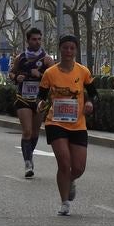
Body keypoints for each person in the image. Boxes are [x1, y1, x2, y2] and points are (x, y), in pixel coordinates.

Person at [36, 35, 97, 216]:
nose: (68, 52)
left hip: (78, 124)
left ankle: (69, 180)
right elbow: (41, 96)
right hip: (55, 122)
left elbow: (94, 94)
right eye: (65, 48)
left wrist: (90, 103)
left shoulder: (83, 72)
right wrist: (40, 104)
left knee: (78, 168)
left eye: (72, 48)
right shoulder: (50, 73)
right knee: (64, 162)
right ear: (60, 49)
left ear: (76, 51)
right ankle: (64, 203)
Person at [9, 28, 52, 178]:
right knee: (27, 131)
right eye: (34, 39)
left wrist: (39, 75)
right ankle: (27, 162)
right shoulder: (20, 58)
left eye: (39, 39)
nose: (37, 42)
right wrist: (16, 78)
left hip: (39, 100)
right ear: (28, 40)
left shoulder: (47, 59)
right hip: (23, 98)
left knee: (34, 132)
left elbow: (53, 79)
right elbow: (12, 73)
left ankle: (29, 154)